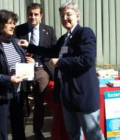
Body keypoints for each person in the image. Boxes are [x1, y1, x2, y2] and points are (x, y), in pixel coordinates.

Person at [18, 1, 105, 140]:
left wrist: (61, 62)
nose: (65, 18)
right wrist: (30, 46)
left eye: (68, 14)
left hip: (82, 95)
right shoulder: (64, 39)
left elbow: (88, 60)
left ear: (78, 16)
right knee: (73, 134)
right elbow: (51, 51)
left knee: (92, 134)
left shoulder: (84, 33)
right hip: (67, 96)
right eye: (62, 15)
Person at [0, 10, 34, 140]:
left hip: (18, 92)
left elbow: (20, 66)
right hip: (1, 93)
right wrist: (9, 79)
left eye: (14, 23)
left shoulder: (16, 42)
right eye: (9, 23)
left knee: (18, 128)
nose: (13, 26)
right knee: (1, 130)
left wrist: (30, 63)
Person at [15, 3, 57, 140]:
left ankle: (37, 131)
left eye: (36, 14)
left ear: (41, 16)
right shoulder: (18, 29)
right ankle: (20, 132)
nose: (33, 17)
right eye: (30, 14)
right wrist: (25, 58)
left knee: (39, 102)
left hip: (41, 70)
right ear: (27, 15)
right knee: (21, 101)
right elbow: (14, 49)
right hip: (23, 69)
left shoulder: (49, 30)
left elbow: (53, 51)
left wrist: (37, 56)